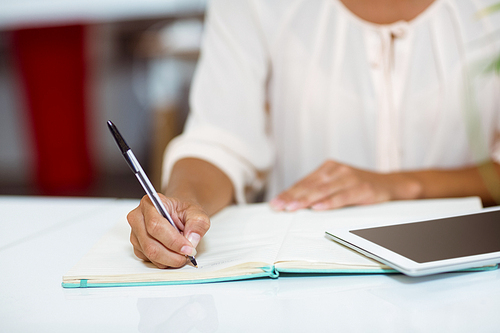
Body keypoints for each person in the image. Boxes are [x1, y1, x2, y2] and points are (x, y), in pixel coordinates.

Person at [127, 0, 500, 268]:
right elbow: (220, 140)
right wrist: (182, 203)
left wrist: (404, 184)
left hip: (471, 273)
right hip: (302, 278)